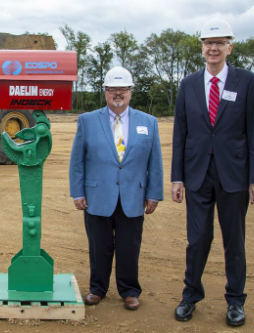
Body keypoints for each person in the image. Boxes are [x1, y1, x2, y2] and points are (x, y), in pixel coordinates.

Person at [171, 18, 254, 327]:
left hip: (235, 176)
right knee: (197, 239)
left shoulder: (247, 81)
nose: (213, 48)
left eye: (219, 42)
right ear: (202, 49)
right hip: (197, 175)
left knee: (234, 242)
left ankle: (236, 301)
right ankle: (190, 296)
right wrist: (177, 177)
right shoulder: (187, 84)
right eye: (208, 43)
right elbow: (180, 133)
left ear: (229, 47)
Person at [69, 66, 163, 310]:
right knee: (99, 246)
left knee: (129, 247)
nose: (117, 93)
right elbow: (77, 160)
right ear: (105, 92)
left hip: (134, 196)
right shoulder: (88, 121)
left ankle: (130, 290)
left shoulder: (149, 122)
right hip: (97, 195)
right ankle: (97, 289)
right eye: (112, 89)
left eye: (122, 89)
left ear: (131, 92)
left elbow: (155, 161)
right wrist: (78, 192)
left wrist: (154, 194)